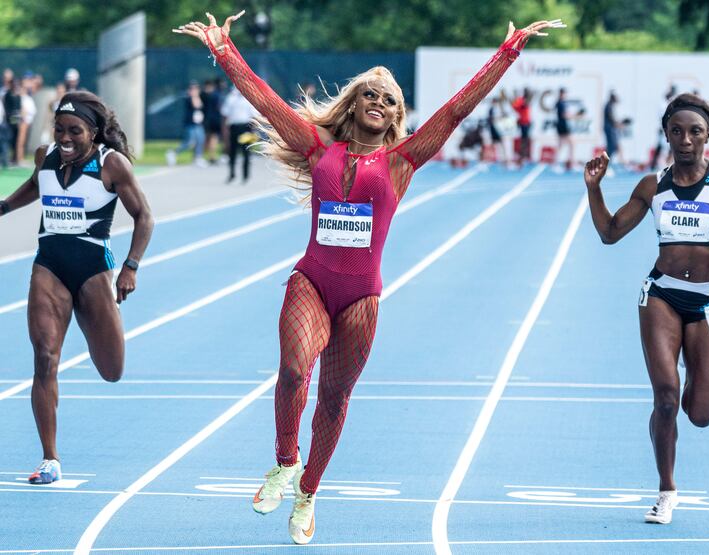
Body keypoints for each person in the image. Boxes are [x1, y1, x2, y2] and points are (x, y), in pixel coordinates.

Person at [174, 11, 565, 545]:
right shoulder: (318, 148)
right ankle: (284, 463)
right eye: (372, 96)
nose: (380, 103)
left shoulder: (403, 161)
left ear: (397, 116)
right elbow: (265, 101)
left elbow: (455, 111)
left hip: (362, 296)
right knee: (293, 371)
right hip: (311, 281)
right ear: (355, 103)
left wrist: (508, 53)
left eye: (391, 101)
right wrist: (224, 51)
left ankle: (309, 491)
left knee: (334, 399)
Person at [583, 93, 709, 525]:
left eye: (695, 132)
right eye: (677, 131)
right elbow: (610, 233)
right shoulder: (654, 186)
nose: (685, 139)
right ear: (666, 135)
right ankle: (666, 491)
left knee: (700, 414)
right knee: (665, 398)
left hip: (708, 299)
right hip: (661, 294)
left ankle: (693, 364)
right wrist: (594, 190)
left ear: (708, 136)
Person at [0, 91, 154, 485]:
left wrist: (130, 267)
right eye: (60, 129)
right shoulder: (45, 155)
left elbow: (144, 217)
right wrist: (4, 206)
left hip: (92, 269)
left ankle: (99, 325)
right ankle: (50, 458)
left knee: (112, 370)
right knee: (45, 358)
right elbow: (37, 186)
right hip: (49, 264)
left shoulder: (111, 164)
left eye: (75, 131)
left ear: (95, 134)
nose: (65, 138)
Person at [220, 86, 258, 184]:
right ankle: (232, 173)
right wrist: (225, 131)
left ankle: (245, 175)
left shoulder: (249, 99)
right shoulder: (231, 98)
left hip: (245, 128)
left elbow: (254, 116)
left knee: (246, 152)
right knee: (232, 152)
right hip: (234, 127)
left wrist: (253, 131)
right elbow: (225, 115)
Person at [166, 81, 207, 167]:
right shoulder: (189, 98)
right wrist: (193, 95)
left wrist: (197, 95)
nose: (195, 90)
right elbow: (195, 105)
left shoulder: (199, 97)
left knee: (200, 140)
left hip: (198, 124)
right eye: (193, 89)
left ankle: (197, 157)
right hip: (190, 124)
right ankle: (173, 152)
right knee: (189, 142)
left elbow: (200, 106)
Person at [554, 87, 577, 171]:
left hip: (561, 125)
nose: (565, 95)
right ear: (561, 94)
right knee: (572, 144)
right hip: (563, 126)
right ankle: (571, 163)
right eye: (564, 93)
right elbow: (564, 115)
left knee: (561, 145)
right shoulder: (561, 103)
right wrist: (575, 115)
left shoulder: (559, 102)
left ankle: (557, 163)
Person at [511, 87, 533, 164]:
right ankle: (521, 156)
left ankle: (524, 156)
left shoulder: (527, 100)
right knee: (523, 140)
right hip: (523, 123)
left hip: (527, 122)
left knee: (526, 140)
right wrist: (520, 107)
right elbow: (514, 106)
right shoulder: (521, 100)